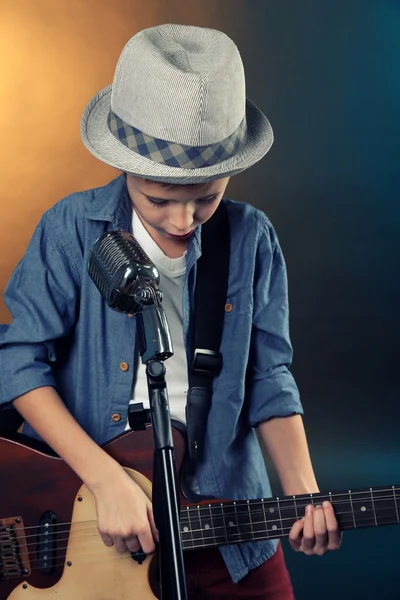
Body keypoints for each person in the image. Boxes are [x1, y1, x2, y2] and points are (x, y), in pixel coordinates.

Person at [0, 24, 342, 599]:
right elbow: (19, 366)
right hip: (92, 516)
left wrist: (303, 492)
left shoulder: (251, 239)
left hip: (227, 521)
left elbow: (268, 377)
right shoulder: (69, 229)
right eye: (158, 199)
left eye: (205, 197)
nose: (183, 222)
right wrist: (105, 480)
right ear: (125, 164)